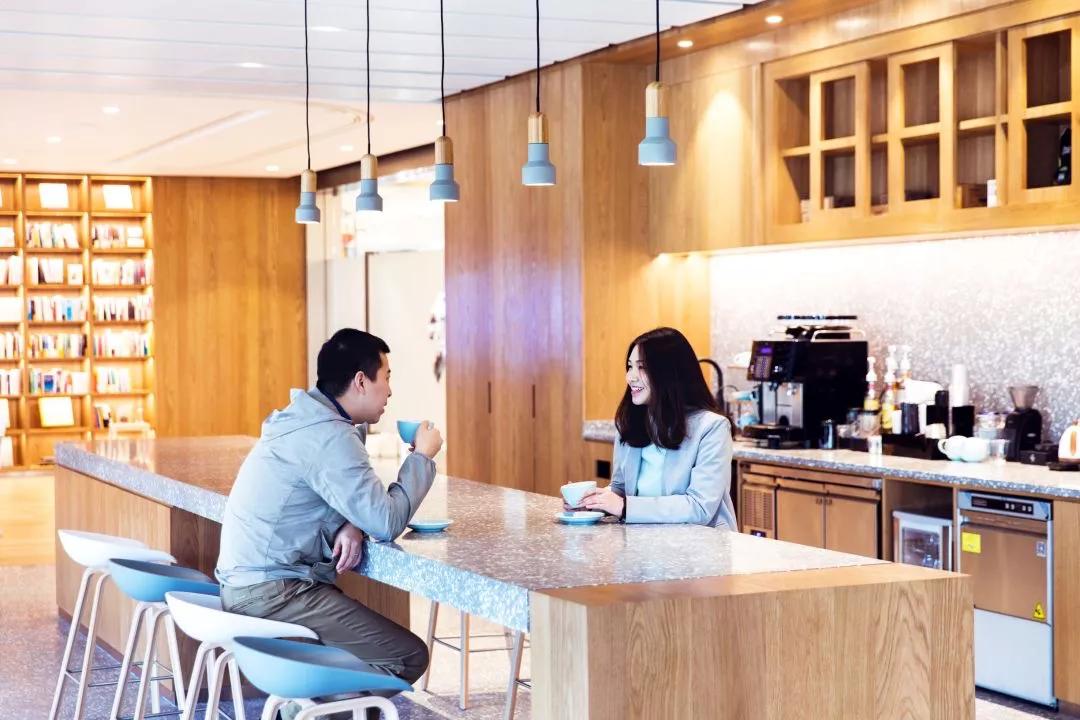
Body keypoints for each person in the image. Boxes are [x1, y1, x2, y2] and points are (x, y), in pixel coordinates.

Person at [215, 328, 443, 713]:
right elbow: (386, 522)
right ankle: (304, 712)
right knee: (406, 656)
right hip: (272, 593)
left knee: (369, 664)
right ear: (361, 381)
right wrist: (422, 456)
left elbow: (340, 495)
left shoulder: (304, 417)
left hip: (246, 584)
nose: (390, 391)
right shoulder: (330, 437)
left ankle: (306, 709)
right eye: (387, 378)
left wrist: (351, 522)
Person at [579, 327, 736, 528]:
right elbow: (619, 489)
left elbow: (700, 507)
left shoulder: (712, 428)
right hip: (643, 539)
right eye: (630, 367)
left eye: (642, 367)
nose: (631, 377)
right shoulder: (630, 422)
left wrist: (626, 507)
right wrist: (593, 503)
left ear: (669, 373)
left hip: (697, 543)